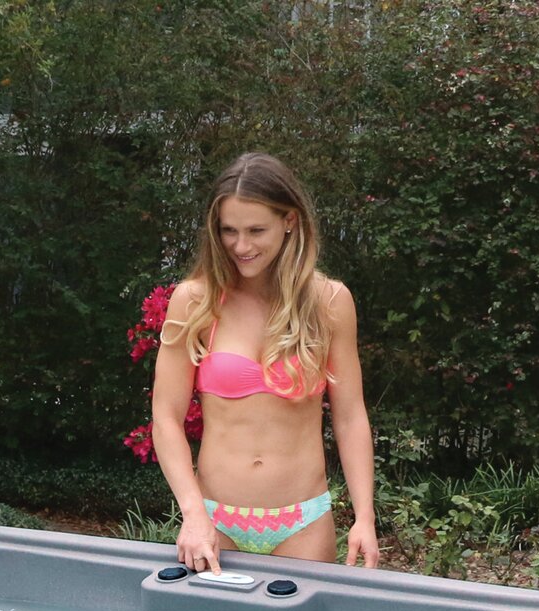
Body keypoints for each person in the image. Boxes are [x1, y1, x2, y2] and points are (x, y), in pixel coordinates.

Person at [150, 151, 379, 573]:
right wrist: (193, 513)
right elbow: (165, 417)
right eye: (229, 231)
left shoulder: (329, 302)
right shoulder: (195, 301)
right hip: (213, 520)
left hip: (303, 522)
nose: (241, 246)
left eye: (256, 230)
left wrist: (364, 515)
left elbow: (350, 417)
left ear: (289, 220)